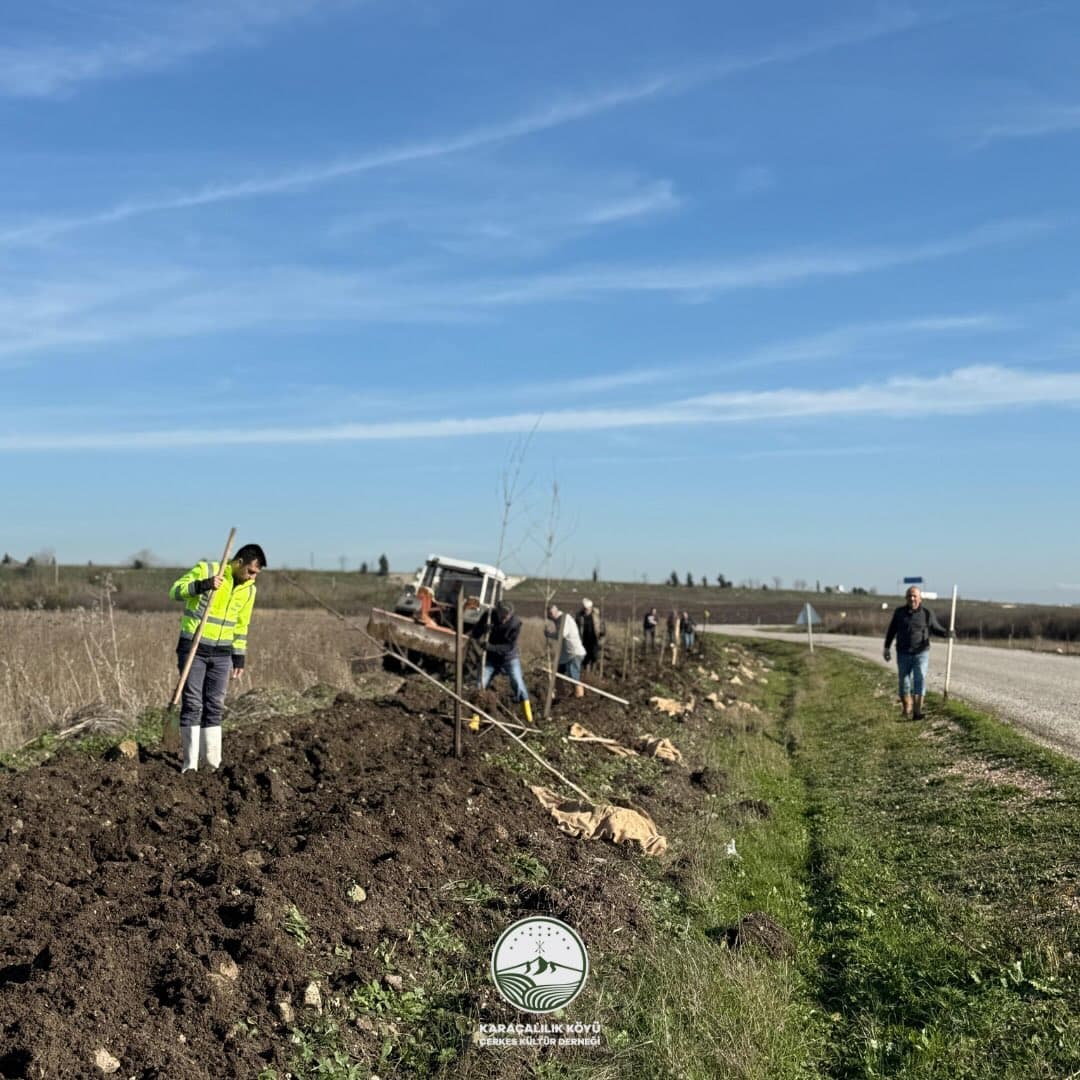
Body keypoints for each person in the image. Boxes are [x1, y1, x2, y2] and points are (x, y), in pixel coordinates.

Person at [170, 543, 267, 772]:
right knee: (193, 704)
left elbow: (242, 625)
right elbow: (174, 591)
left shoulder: (249, 590)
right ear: (238, 562)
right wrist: (203, 585)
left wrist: (239, 657)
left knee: (214, 706)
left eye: (257, 574)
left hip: (223, 655)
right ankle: (189, 766)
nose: (253, 578)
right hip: (194, 647)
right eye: (251, 572)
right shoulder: (206, 570)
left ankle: (212, 765)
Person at [883, 585, 953, 720]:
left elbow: (936, 629)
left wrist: (947, 633)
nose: (912, 598)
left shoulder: (927, 613)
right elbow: (892, 631)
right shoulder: (899, 613)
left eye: (915, 596)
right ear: (906, 598)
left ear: (920, 598)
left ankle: (917, 712)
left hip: (921, 652)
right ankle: (906, 708)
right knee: (904, 682)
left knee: (919, 679)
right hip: (903, 652)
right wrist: (887, 648)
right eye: (909, 596)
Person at [474, 601, 532, 723]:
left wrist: (490, 647)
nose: (505, 618)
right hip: (490, 659)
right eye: (502, 615)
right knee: (480, 684)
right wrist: (483, 628)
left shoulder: (515, 623)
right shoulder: (488, 616)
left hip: (508, 658)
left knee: (518, 683)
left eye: (508, 616)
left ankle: (529, 718)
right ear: (497, 611)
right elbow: (475, 634)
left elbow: (509, 646)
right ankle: (475, 719)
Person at [546, 604, 587, 697]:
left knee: (573, 676)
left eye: (549, 616)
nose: (550, 619)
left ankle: (579, 697)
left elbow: (562, 634)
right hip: (566, 654)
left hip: (574, 653)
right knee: (557, 674)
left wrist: (549, 634)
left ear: (552, 613)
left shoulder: (564, 618)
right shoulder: (558, 620)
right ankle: (561, 696)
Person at [576, 598, 606, 671]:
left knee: (594, 656)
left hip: (594, 639)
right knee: (585, 656)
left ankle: (593, 671)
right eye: (585, 609)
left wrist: (602, 636)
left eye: (588, 608)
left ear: (591, 608)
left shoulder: (596, 615)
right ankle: (587, 672)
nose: (587, 610)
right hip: (584, 639)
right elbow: (577, 626)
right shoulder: (580, 616)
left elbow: (602, 626)